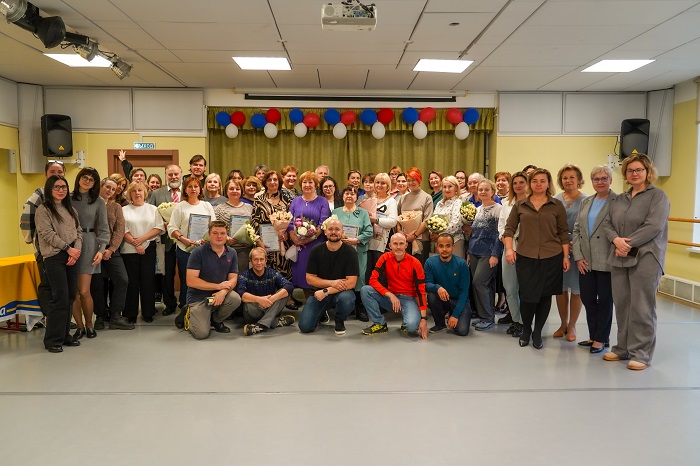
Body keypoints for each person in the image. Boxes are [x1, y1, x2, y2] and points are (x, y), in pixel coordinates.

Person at [602, 153, 669, 370]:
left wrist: (626, 244)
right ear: (625, 174)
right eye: (630, 170)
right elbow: (608, 224)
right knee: (622, 304)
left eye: (639, 169)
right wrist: (616, 240)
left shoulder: (658, 196)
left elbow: (653, 226)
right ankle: (622, 348)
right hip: (619, 257)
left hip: (646, 257)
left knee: (642, 307)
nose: (634, 173)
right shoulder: (619, 199)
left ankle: (641, 353)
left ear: (648, 172)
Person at [503, 168, 570, 350]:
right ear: (530, 184)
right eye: (535, 181)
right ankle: (526, 330)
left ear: (548, 184)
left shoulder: (557, 205)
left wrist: (565, 256)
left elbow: (563, 232)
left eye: (542, 181)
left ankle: (538, 332)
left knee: (545, 296)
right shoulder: (520, 205)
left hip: (552, 256)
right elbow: (509, 230)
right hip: (526, 256)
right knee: (527, 296)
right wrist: (509, 249)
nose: (538, 184)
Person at [35, 175, 82, 353]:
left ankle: (64, 335)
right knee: (60, 297)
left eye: (64, 187)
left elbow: (79, 232)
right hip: (54, 256)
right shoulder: (44, 209)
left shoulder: (71, 209)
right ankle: (52, 339)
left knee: (70, 296)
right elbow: (46, 233)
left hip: (72, 256)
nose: (61, 190)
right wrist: (68, 249)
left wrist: (76, 251)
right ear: (49, 189)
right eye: (57, 187)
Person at [572, 166, 616, 354]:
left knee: (605, 300)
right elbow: (576, 230)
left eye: (604, 178)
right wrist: (578, 256)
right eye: (596, 179)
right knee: (588, 298)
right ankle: (594, 335)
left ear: (610, 180)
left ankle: (601, 339)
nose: (600, 182)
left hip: (607, 259)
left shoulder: (618, 201)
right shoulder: (586, 201)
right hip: (585, 260)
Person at [168, 176, 217, 328]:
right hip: (185, 250)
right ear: (185, 190)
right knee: (187, 282)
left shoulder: (206, 206)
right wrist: (183, 239)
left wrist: (208, 239)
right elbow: (172, 228)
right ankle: (186, 311)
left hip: (204, 250)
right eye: (190, 186)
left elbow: (214, 226)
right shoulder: (180, 207)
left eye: (196, 186)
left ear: (200, 189)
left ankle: (205, 312)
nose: (193, 189)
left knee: (204, 281)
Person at [361, 232, 429, 339]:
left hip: (409, 299)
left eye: (401, 244)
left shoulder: (415, 263)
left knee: (411, 327)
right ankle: (380, 323)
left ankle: (407, 322)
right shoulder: (384, 258)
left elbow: (421, 291)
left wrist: (423, 319)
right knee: (366, 290)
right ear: (390, 245)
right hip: (391, 298)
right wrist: (390, 294)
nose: (398, 247)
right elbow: (372, 280)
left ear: (406, 245)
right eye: (395, 244)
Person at [298, 218, 358, 335]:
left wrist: (326, 291)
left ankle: (339, 319)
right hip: (318, 293)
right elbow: (309, 278)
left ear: (342, 232)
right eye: (330, 229)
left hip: (341, 293)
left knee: (347, 299)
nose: (333, 232)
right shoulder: (316, 250)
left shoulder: (350, 252)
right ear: (325, 232)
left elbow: (351, 282)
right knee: (305, 327)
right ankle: (322, 311)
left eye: (337, 229)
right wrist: (332, 283)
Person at [20, 160, 66, 314]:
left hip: (64, 250)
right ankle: (49, 318)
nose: (56, 175)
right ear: (45, 174)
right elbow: (26, 218)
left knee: (61, 287)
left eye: (59, 172)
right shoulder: (40, 194)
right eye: (52, 172)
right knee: (48, 285)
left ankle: (60, 319)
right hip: (46, 251)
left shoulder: (64, 194)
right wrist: (30, 240)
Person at [184, 220, 242, 339]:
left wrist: (223, 292)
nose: (219, 236)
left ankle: (216, 320)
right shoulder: (198, 253)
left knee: (235, 299)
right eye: (215, 233)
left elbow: (233, 279)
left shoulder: (232, 253)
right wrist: (218, 286)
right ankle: (188, 315)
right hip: (198, 298)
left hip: (219, 295)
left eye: (222, 233)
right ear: (209, 235)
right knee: (201, 334)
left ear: (227, 235)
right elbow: (191, 281)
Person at [71, 167, 109, 340]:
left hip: (89, 244)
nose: (87, 181)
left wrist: (101, 250)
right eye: (84, 177)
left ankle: (89, 324)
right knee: (73, 292)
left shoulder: (98, 201)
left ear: (95, 183)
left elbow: (104, 229)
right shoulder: (67, 198)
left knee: (84, 290)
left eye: (91, 179)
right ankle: (79, 326)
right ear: (79, 178)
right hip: (69, 244)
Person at [122, 181, 166, 324]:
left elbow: (159, 228)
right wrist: (135, 243)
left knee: (148, 280)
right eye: (133, 191)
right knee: (131, 282)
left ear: (145, 192)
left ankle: (148, 312)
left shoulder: (153, 209)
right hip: (129, 249)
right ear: (129, 194)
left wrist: (141, 240)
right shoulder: (124, 210)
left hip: (149, 248)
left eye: (140, 190)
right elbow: (122, 229)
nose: (137, 193)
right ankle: (131, 313)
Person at [93, 178, 132, 330]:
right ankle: (100, 316)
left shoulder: (116, 207)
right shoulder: (91, 204)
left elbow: (119, 230)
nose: (110, 191)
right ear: (100, 186)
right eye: (107, 187)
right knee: (97, 285)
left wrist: (111, 249)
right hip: (93, 250)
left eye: (113, 189)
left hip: (111, 250)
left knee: (122, 280)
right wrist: (98, 248)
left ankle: (115, 316)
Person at [553, 164, 586, 341]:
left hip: (579, 250)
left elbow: (587, 227)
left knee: (576, 289)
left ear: (579, 179)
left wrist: (574, 243)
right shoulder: (555, 200)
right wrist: (562, 243)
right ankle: (563, 324)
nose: (568, 180)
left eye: (572, 177)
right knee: (561, 289)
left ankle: (572, 325)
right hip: (558, 249)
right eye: (565, 178)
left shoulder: (586, 200)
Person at [332, 186, 373, 321]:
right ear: (342, 196)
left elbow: (369, 231)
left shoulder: (363, 213)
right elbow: (330, 229)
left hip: (358, 251)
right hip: (340, 251)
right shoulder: (336, 212)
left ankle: (360, 307)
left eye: (352, 194)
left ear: (356, 197)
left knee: (359, 277)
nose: (349, 196)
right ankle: (346, 306)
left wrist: (357, 240)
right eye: (346, 193)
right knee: (342, 276)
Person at [147, 164, 183, 317]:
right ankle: (169, 303)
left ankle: (185, 303)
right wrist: (163, 225)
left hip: (185, 241)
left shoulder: (188, 191)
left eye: (176, 174)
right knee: (167, 274)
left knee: (185, 273)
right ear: (166, 175)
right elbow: (150, 215)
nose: (173, 177)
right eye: (170, 174)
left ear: (181, 174)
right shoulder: (157, 194)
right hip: (164, 241)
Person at [467, 179, 503, 330]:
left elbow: (500, 234)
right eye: (480, 189)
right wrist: (469, 253)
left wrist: (495, 254)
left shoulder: (499, 209)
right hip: (475, 251)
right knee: (486, 285)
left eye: (486, 189)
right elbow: (474, 233)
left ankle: (487, 317)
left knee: (479, 283)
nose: (483, 192)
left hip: (489, 252)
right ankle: (486, 316)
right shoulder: (478, 209)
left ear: (492, 192)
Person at [497, 171, 528, 337]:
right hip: (509, 249)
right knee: (510, 288)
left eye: (521, 182)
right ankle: (516, 320)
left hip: (528, 251)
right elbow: (502, 228)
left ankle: (525, 322)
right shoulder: (506, 204)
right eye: (515, 183)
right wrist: (509, 246)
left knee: (525, 289)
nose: (518, 186)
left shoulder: (533, 203)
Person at [238, 247, 296, 336]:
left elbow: (289, 286)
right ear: (250, 261)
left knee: (284, 293)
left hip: (270, 305)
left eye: (261, 259)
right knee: (247, 303)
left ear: (266, 260)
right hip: (254, 310)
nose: (259, 263)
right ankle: (274, 322)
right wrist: (259, 300)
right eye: (255, 259)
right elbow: (241, 294)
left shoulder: (272, 273)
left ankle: (260, 326)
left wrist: (272, 299)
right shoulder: (244, 275)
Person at [288, 172, 331, 293]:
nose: (307, 185)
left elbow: (323, 223)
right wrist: (294, 237)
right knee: (301, 275)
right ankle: (305, 300)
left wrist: (307, 239)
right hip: (298, 245)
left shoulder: (323, 201)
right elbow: (289, 221)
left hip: (316, 245)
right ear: (301, 185)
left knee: (315, 275)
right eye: (304, 182)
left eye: (310, 182)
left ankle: (317, 301)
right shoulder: (295, 201)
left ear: (316, 184)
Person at [424, 233, 471, 336]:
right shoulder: (430, 262)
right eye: (441, 246)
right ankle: (440, 324)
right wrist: (438, 287)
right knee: (432, 296)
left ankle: (454, 314)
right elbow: (427, 284)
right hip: (443, 299)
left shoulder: (462, 264)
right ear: (436, 247)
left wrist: (455, 315)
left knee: (462, 331)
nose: (444, 249)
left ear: (453, 247)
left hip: (459, 301)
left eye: (448, 246)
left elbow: (464, 292)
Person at [215, 178, 254, 273]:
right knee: (226, 275)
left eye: (237, 189)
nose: (234, 191)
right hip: (226, 248)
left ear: (241, 191)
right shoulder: (220, 208)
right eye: (231, 189)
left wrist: (249, 239)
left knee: (241, 276)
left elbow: (254, 227)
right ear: (226, 191)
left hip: (244, 249)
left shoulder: (249, 208)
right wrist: (226, 238)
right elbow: (215, 228)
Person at [398, 167, 433, 264]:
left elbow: (427, 220)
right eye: (408, 180)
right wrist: (400, 232)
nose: (411, 183)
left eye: (414, 180)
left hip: (421, 240)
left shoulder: (427, 198)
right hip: (404, 240)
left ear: (419, 180)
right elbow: (398, 219)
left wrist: (414, 235)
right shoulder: (403, 198)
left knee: (419, 268)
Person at [367, 172, 398, 283]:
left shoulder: (391, 201)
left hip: (381, 243)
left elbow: (393, 221)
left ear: (388, 186)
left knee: (380, 275)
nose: (379, 185)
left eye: (383, 183)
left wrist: (376, 220)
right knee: (368, 274)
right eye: (377, 183)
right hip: (368, 242)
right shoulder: (370, 200)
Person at [430, 175, 465, 258]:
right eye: (444, 187)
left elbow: (455, 224)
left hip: (455, 241)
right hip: (440, 243)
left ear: (456, 188)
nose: (447, 189)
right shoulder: (439, 203)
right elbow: (433, 220)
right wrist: (432, 232)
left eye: (450, 187)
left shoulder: (458, 202)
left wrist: (439, 235)